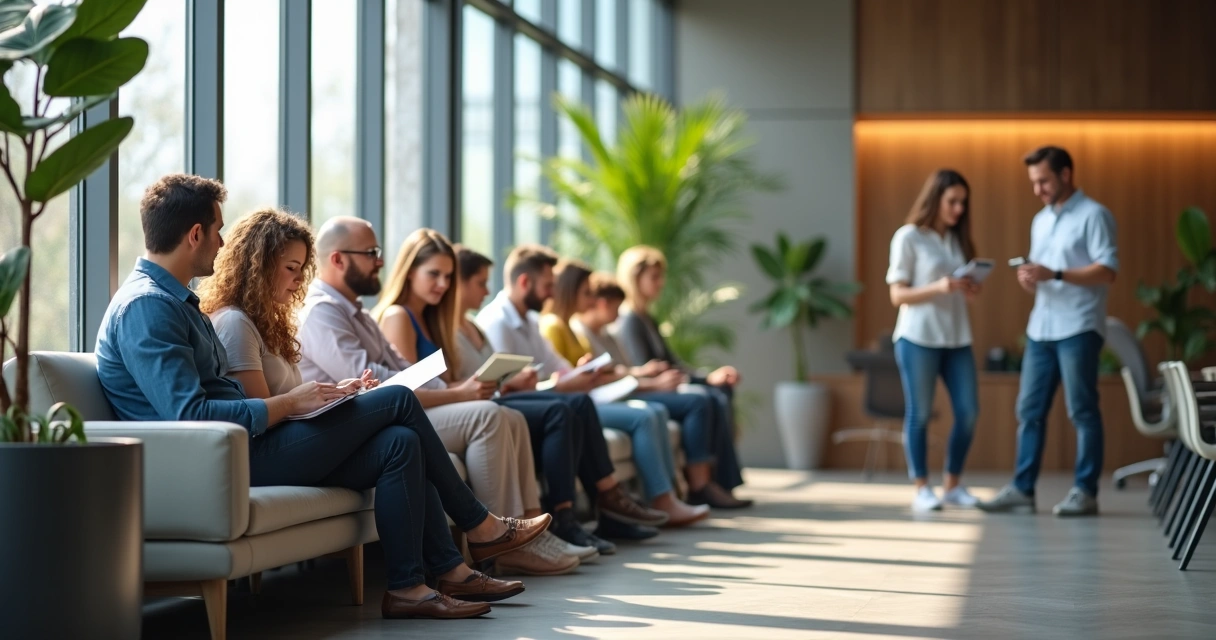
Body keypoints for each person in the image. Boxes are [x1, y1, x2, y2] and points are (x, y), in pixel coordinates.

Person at [95, 175, 550, 620]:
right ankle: (480, 527)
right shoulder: (149, 306)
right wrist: (291, 404)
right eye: (217, 230)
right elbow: (190, 415)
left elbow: (216, 398)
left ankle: (413, 586)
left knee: (400, 444)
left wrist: (316, 399)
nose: (221, 241)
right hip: (225, 459)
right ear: (195, 234)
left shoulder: (177, 303)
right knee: (398, 401)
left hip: (241, 447)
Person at [292, 217, 576, 575]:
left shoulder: (358, 313)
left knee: (505, 413)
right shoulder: (321, 312)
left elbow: (406, 371)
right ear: (338, 259)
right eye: (371, 253)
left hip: (386, 416)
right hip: (352, 427)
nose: (380, 260)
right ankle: (495, 542)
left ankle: (517, 529)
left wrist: (460, 391)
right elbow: (375, 382)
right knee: (490, 415)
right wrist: (460, 394)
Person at [374, 231, 665, 554]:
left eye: (447, 277)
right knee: (522, 412)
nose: (443, 284)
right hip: (428, 415)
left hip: (457, 403)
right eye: (434, 275)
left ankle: (532, 529)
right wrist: (471, 390)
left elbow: (442, 384)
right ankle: (513, 539)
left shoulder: (436, 319)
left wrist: (481, 385)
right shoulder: (400, 316)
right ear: (410, 271)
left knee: (526, 412)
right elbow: (407, 392)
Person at [475, 244, 685, 539]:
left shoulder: (531, 322)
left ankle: (605, 505)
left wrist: (580, 373)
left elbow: (555, 367)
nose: (552, 293)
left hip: (536, 398)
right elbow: (506, 387)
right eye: (548, 285)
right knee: (566, 408)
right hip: (510, 404)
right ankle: (572, 514)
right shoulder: (496, 322)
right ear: (525, 282)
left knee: (579, 403)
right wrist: (559, 383)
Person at [978, 146, 1118, 517]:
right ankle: (1022, 490)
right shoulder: (1040, 220)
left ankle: (1085, 492)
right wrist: (1031, 279)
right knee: (1029, 411)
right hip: (1041, 328)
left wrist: (1054, 273)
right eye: (1033, 182)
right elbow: (1043, 276)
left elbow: (1107, 270)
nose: (1037, 188)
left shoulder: (1094, 215)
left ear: (1066, 174)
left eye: (1043, 180)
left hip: (1079, 326)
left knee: (1082, 411)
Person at [539, 260, 713, 522]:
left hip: (591, 396)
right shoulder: (554, 326)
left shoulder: (571, 330)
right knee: (646, 416)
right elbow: (559, 379)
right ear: (569, 291)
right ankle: (662, 499)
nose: (591, 299)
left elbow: (587, 373)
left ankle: (666, 496)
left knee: (655, 411)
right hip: (584, 401)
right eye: (586, 292)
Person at [576, 271, 751, 511]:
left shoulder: (613, 331)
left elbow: (626, 369)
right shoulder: (616, 324)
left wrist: (647, 374)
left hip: (627, 389)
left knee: (711, 395)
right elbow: (601, 377)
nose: (588, 301)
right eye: (655, 277)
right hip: (611, 396)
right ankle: (686, 491)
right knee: (683, 405)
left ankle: (683, 492)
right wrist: (651, 380)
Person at [613, 246, 750, 504]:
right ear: (635, 278)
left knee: (720, 390)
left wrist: (708, 377)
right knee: (702, 400)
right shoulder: (629, 320)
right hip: (649, 389)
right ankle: (701, 485)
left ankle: (722, 481)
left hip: (666, 385)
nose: (661, 283)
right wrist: (696, 382)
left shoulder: (647, 319)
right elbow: (649, 367)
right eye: (654, 277)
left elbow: (672, 362)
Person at [886, 169, 982, 512]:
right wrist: (938, 288)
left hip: (957, 338)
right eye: (952, 201)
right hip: (918, 339)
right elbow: (897, 295)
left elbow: (956, 287)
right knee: (921, 413)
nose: (958, 209)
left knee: (969, 412)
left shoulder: (957, 240)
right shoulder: (909, 237)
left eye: (963, 203)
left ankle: (952, 485)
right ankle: (922, 488)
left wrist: (967, 287)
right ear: (936, 199)